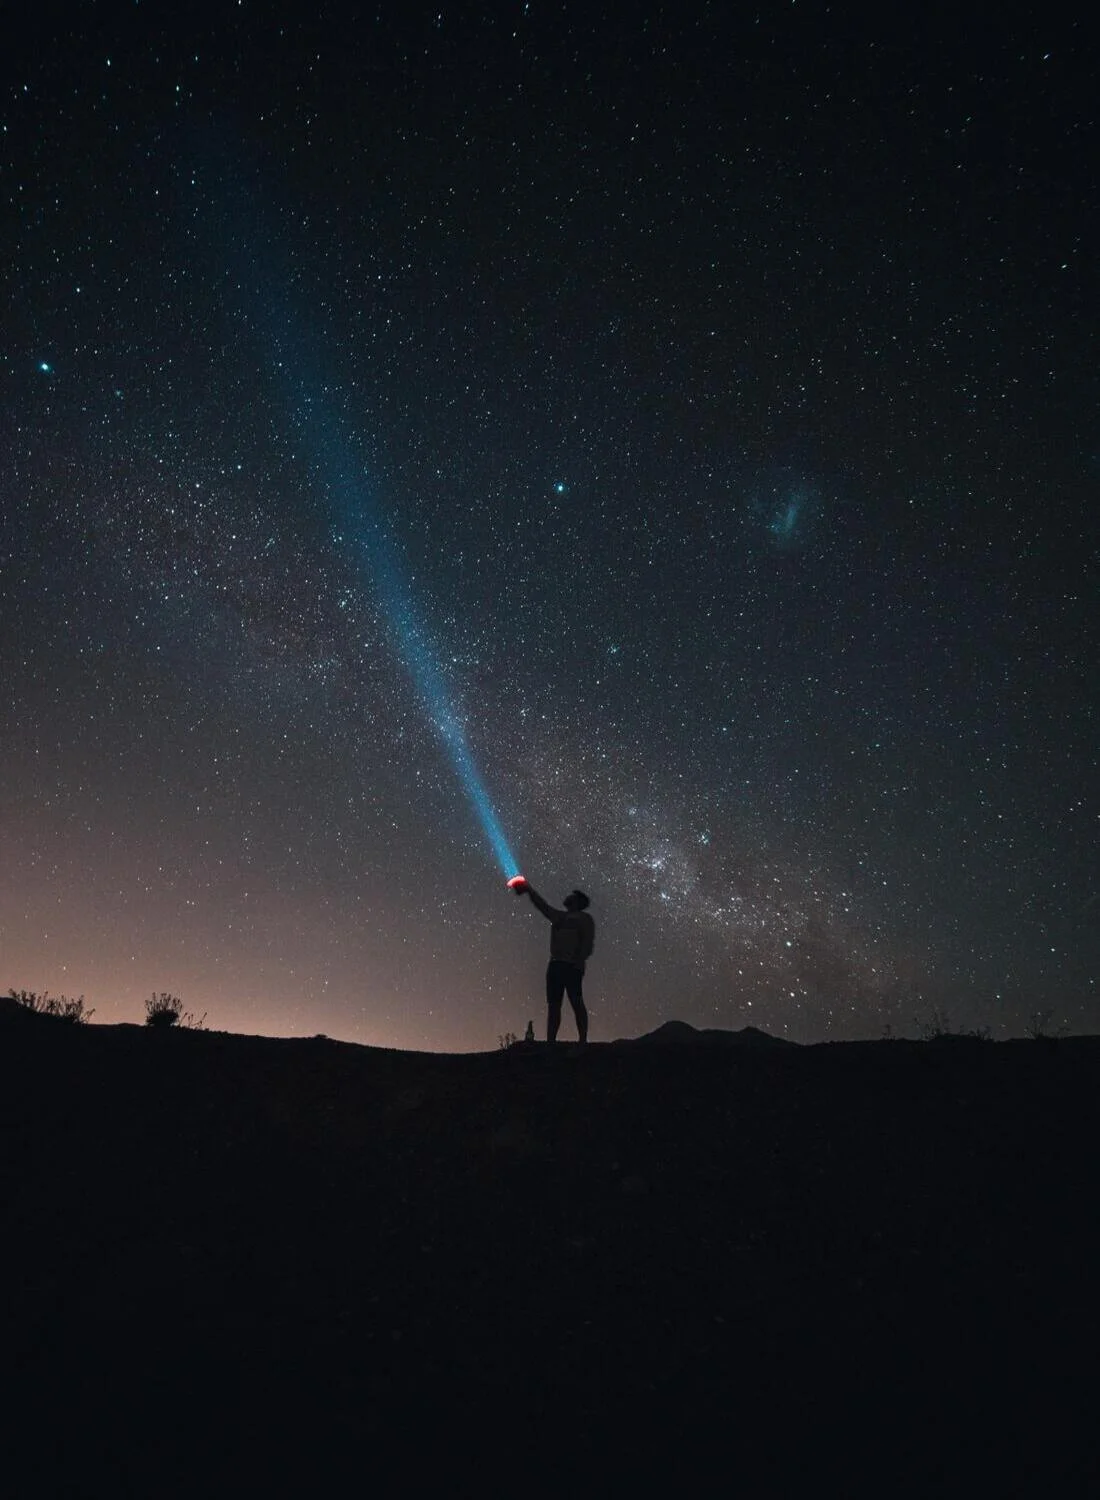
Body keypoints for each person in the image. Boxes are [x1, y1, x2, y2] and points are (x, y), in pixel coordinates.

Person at [519, 883, 595, 1043]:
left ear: (577, 902)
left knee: (576, 1001)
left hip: (572, 965)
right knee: (554, 1005)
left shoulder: (584, 919)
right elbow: (542, 906)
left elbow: (587, 943)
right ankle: (551, 1042)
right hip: (555, 965)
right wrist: (529, 890)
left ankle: (582, 1041)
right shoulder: (559, 916)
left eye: (572, 896)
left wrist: (579, 961)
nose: (568, 897)